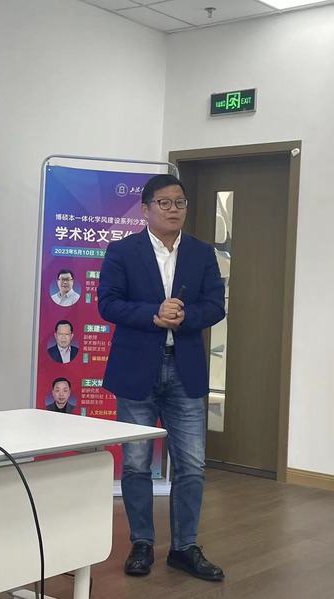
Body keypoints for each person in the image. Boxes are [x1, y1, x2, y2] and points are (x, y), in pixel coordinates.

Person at [98, 174, 226, 582]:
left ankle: (184, 547)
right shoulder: (122, 251)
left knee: (191, 464)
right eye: (165, 203)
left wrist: (185, 316)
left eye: (180, 202)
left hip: (184, 369)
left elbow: (216, 305)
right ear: (145, 208)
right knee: (137, 464)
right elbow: (108, 304)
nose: (174, 210)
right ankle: (141, 542)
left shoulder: (202, 252)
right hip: (137, 369)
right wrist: (153, 314)